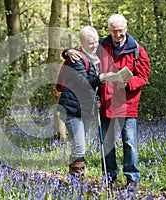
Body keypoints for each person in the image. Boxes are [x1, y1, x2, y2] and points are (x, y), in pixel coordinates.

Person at [66, 14, 151, 189]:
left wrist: (128, 84)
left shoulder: (137, 50)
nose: (117, 34)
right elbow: (83, 53)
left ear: (126, 29)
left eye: (120, 31)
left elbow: (143, 76)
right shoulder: (101, 46)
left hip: (128, 104)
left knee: (129, 143)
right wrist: (67, 51)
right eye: (114, 31)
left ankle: (132, 179)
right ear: (109, 30)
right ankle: (110, 178)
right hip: (106, 103)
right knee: (107, 144)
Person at [57, 25, 105, 176]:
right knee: (79, 147)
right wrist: (101, 79)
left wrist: (95, 98)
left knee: (79, 145)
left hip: (83, 108)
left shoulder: (93, 54)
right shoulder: (76, 58)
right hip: (71, 108)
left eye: (96, 41)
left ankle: (73, 179)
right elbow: (83, 83)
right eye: (91, 43)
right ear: (82, 43)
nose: (95, 45)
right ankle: (76, 182)